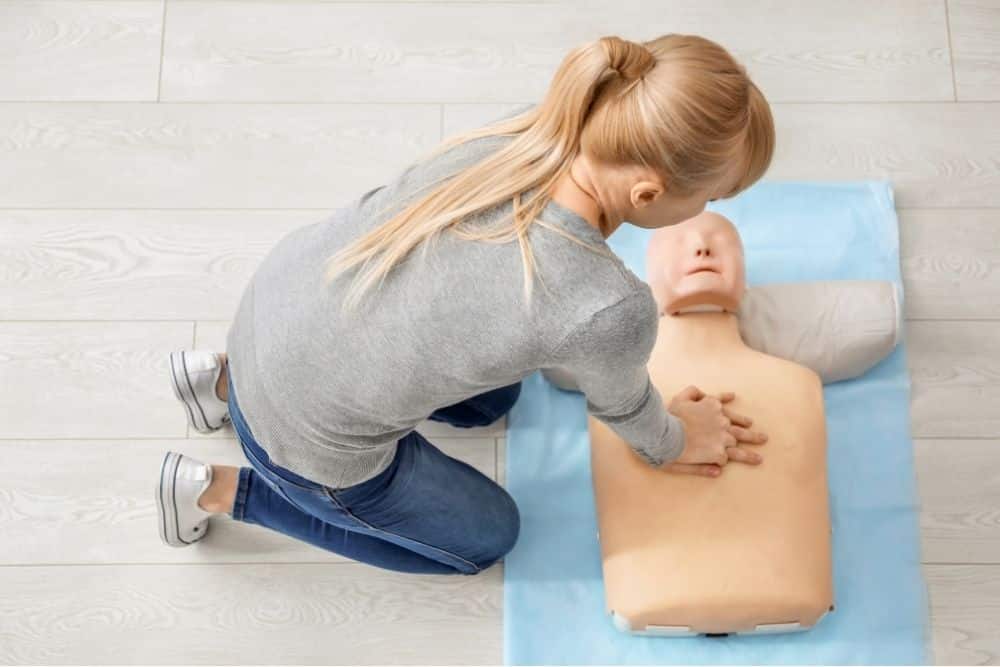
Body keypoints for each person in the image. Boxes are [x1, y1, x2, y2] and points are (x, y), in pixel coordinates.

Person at [155, 33, 776, 575]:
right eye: (713, 199)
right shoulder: (606, 306)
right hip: (305, 446)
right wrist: (673, 442)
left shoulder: (529, 130)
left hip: (269, 315)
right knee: (487, 539)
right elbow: (627, 406)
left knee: (495, 402)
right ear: (648, 192)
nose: (709, 214)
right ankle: (221, 490)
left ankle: (219, 381)